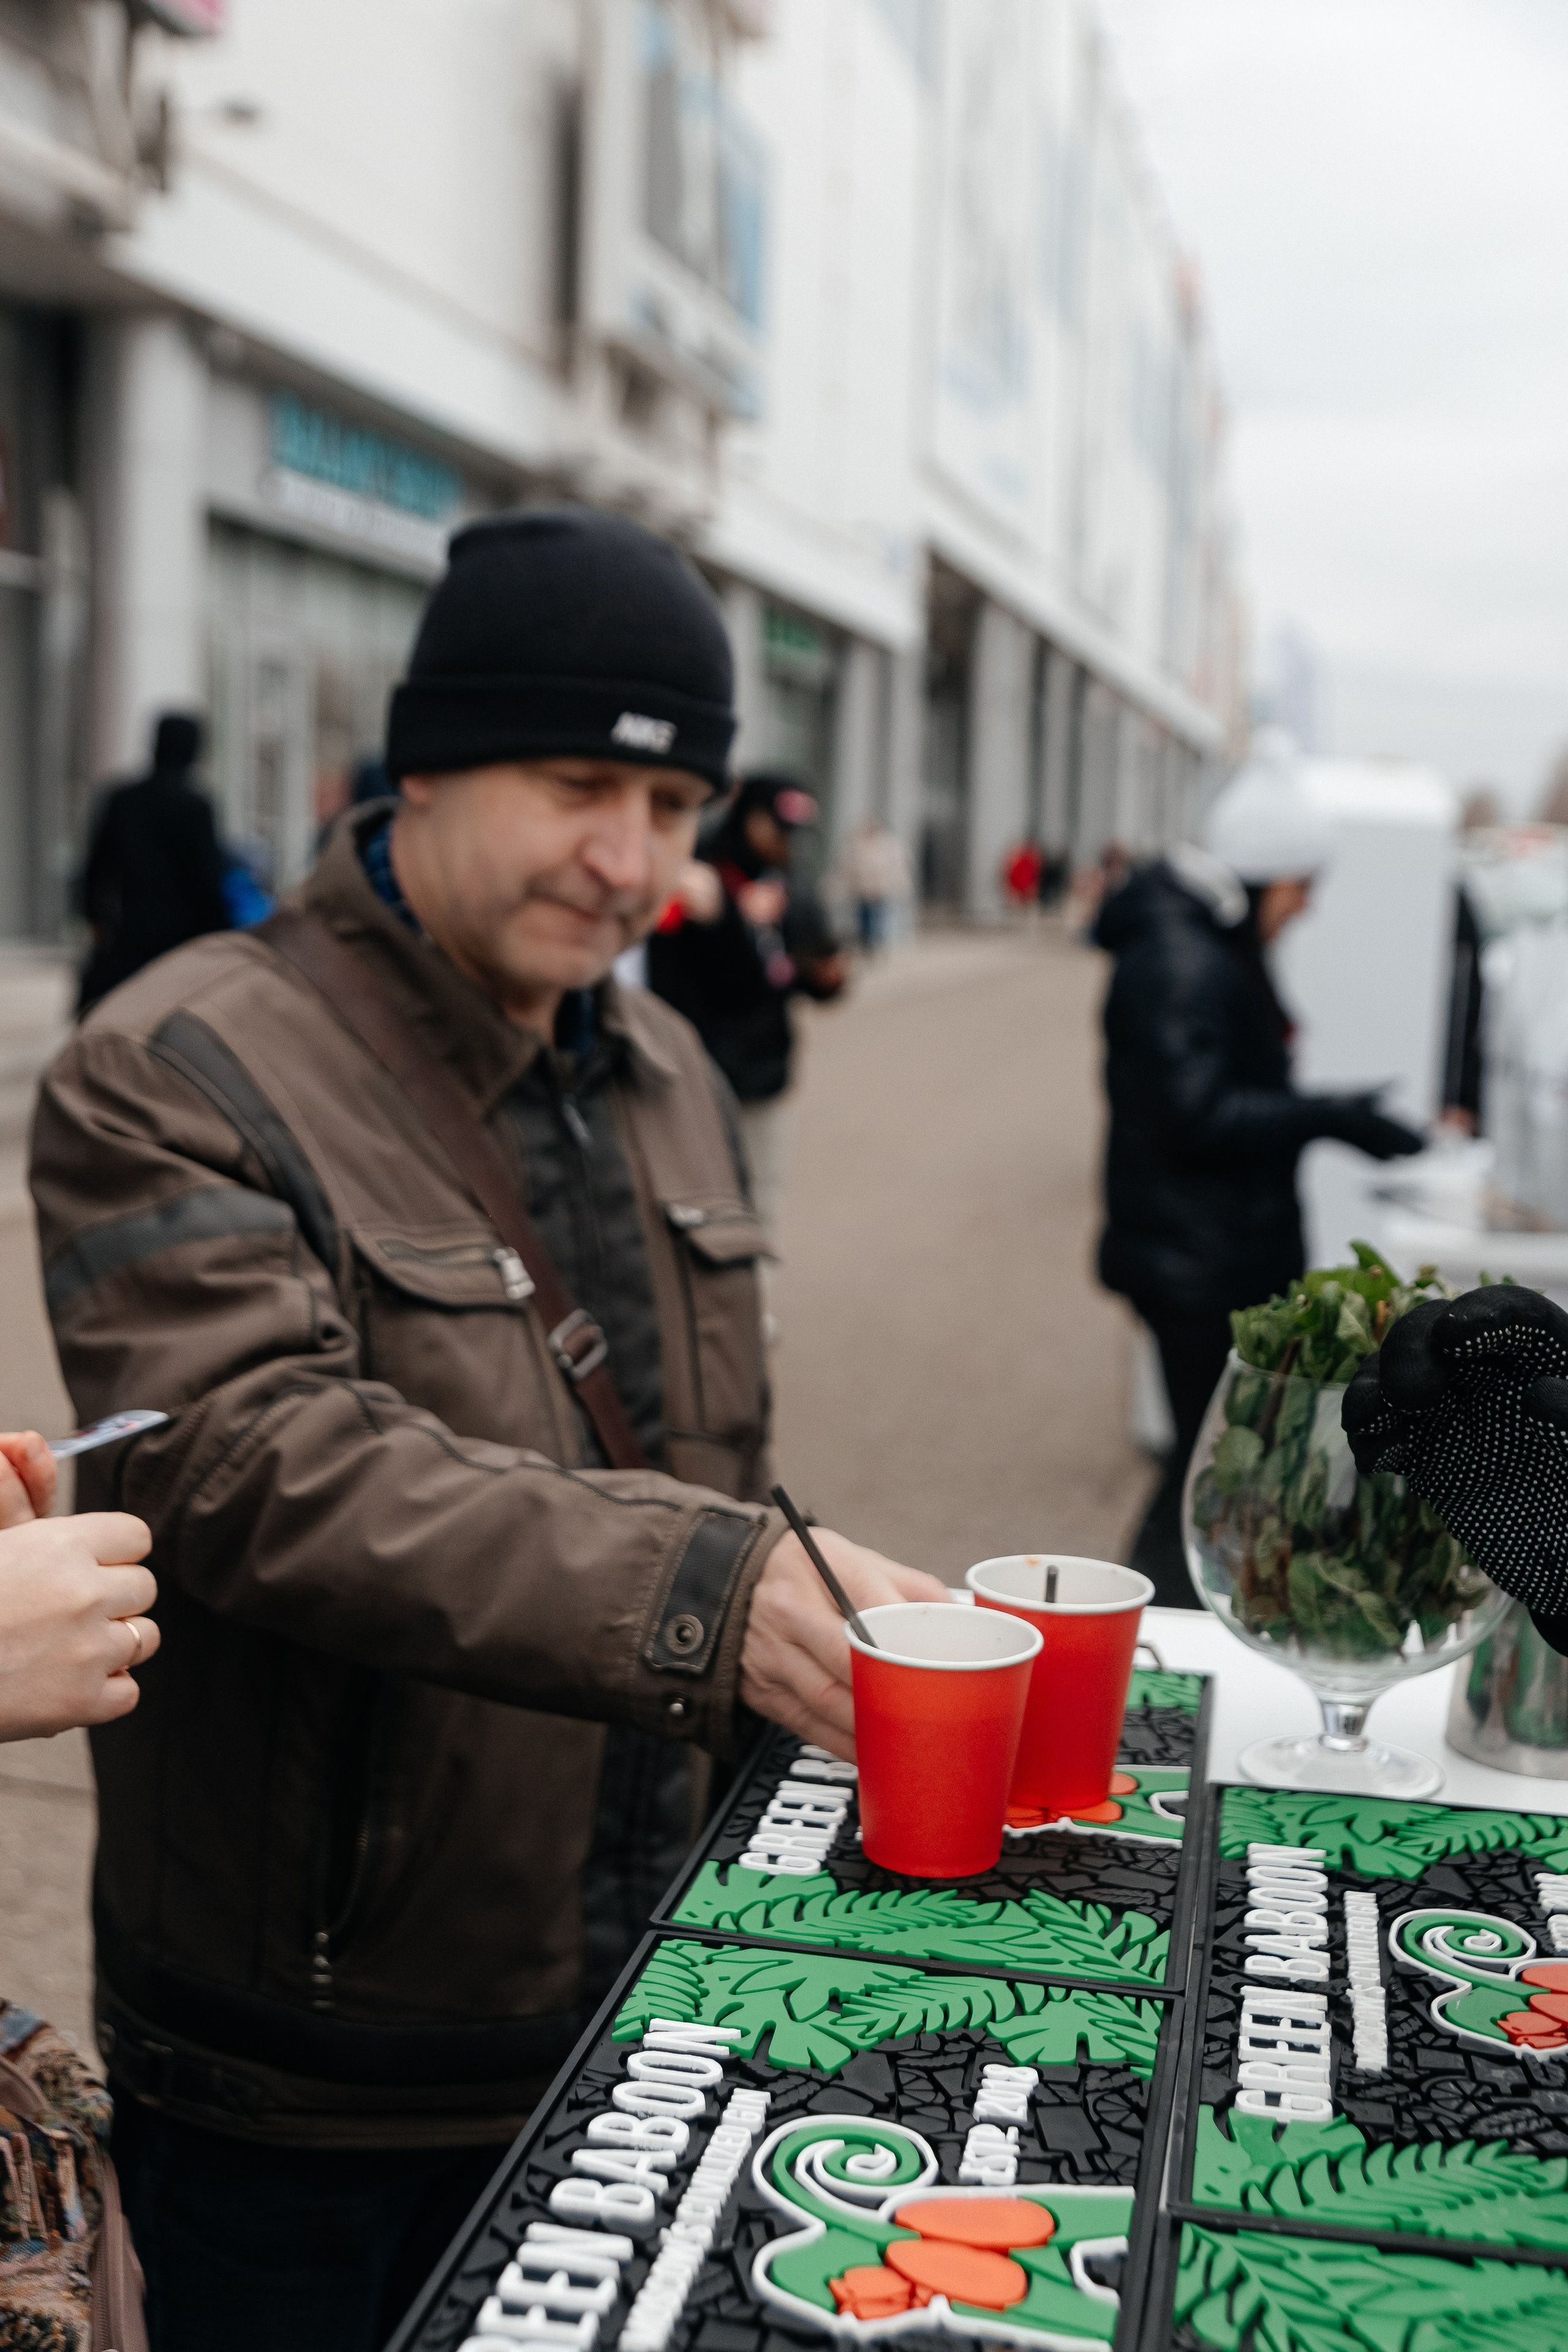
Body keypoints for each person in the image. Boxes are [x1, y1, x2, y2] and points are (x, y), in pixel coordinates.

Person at [30, 507, 944, 2352]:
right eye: (573, 786)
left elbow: (682, 1460)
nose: (629, 862)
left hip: (643, 2007)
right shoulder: (176, 1058)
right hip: (316, 2075)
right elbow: (254, 1462)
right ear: (428, 765)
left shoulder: (669, 1062)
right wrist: (718, 1584)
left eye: (678, 809)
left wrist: (823, 1597)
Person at [1095, 730, 1425, 1605]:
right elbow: (1195, 1115)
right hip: (1195, 1261)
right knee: (1212, 1465)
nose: (1308, 908)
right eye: (1302, 886)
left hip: (1204, 1249)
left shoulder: (1198, 945)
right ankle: (1146, 1646)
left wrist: (1330, 1113)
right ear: (1259, 875)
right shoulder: (1181, 957)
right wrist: (1329, 1116)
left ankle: (1151, 1640)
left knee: (1213, 1463)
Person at [646, 768, 847, 1241]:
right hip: (693, 1076)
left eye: (797, 833)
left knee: (761, 1201)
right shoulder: (696, 874)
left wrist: (826, 978)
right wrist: (729, 919)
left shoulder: (791, 884)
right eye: (780, 829)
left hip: (764, 1073)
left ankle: (750, 1309)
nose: (788, 843)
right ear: (748, 818)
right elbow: (689, 981)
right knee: (690, 1208)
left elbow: (804, 968)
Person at [76, 713, 231, 1016]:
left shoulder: (123, 799)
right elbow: (209, 879)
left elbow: (96, 871)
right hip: (182, 943)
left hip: (129, 935)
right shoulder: (195, 805)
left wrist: (98, 926)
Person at [840, 816, 911, 952]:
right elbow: (850, 865)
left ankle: (877, 942)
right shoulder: (858, 844)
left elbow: (897, 867)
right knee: (864, 917)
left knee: (879, 917)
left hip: (880, 889)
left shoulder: (889, 844)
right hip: (862, 889)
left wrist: (894, 884)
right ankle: (866, 941)